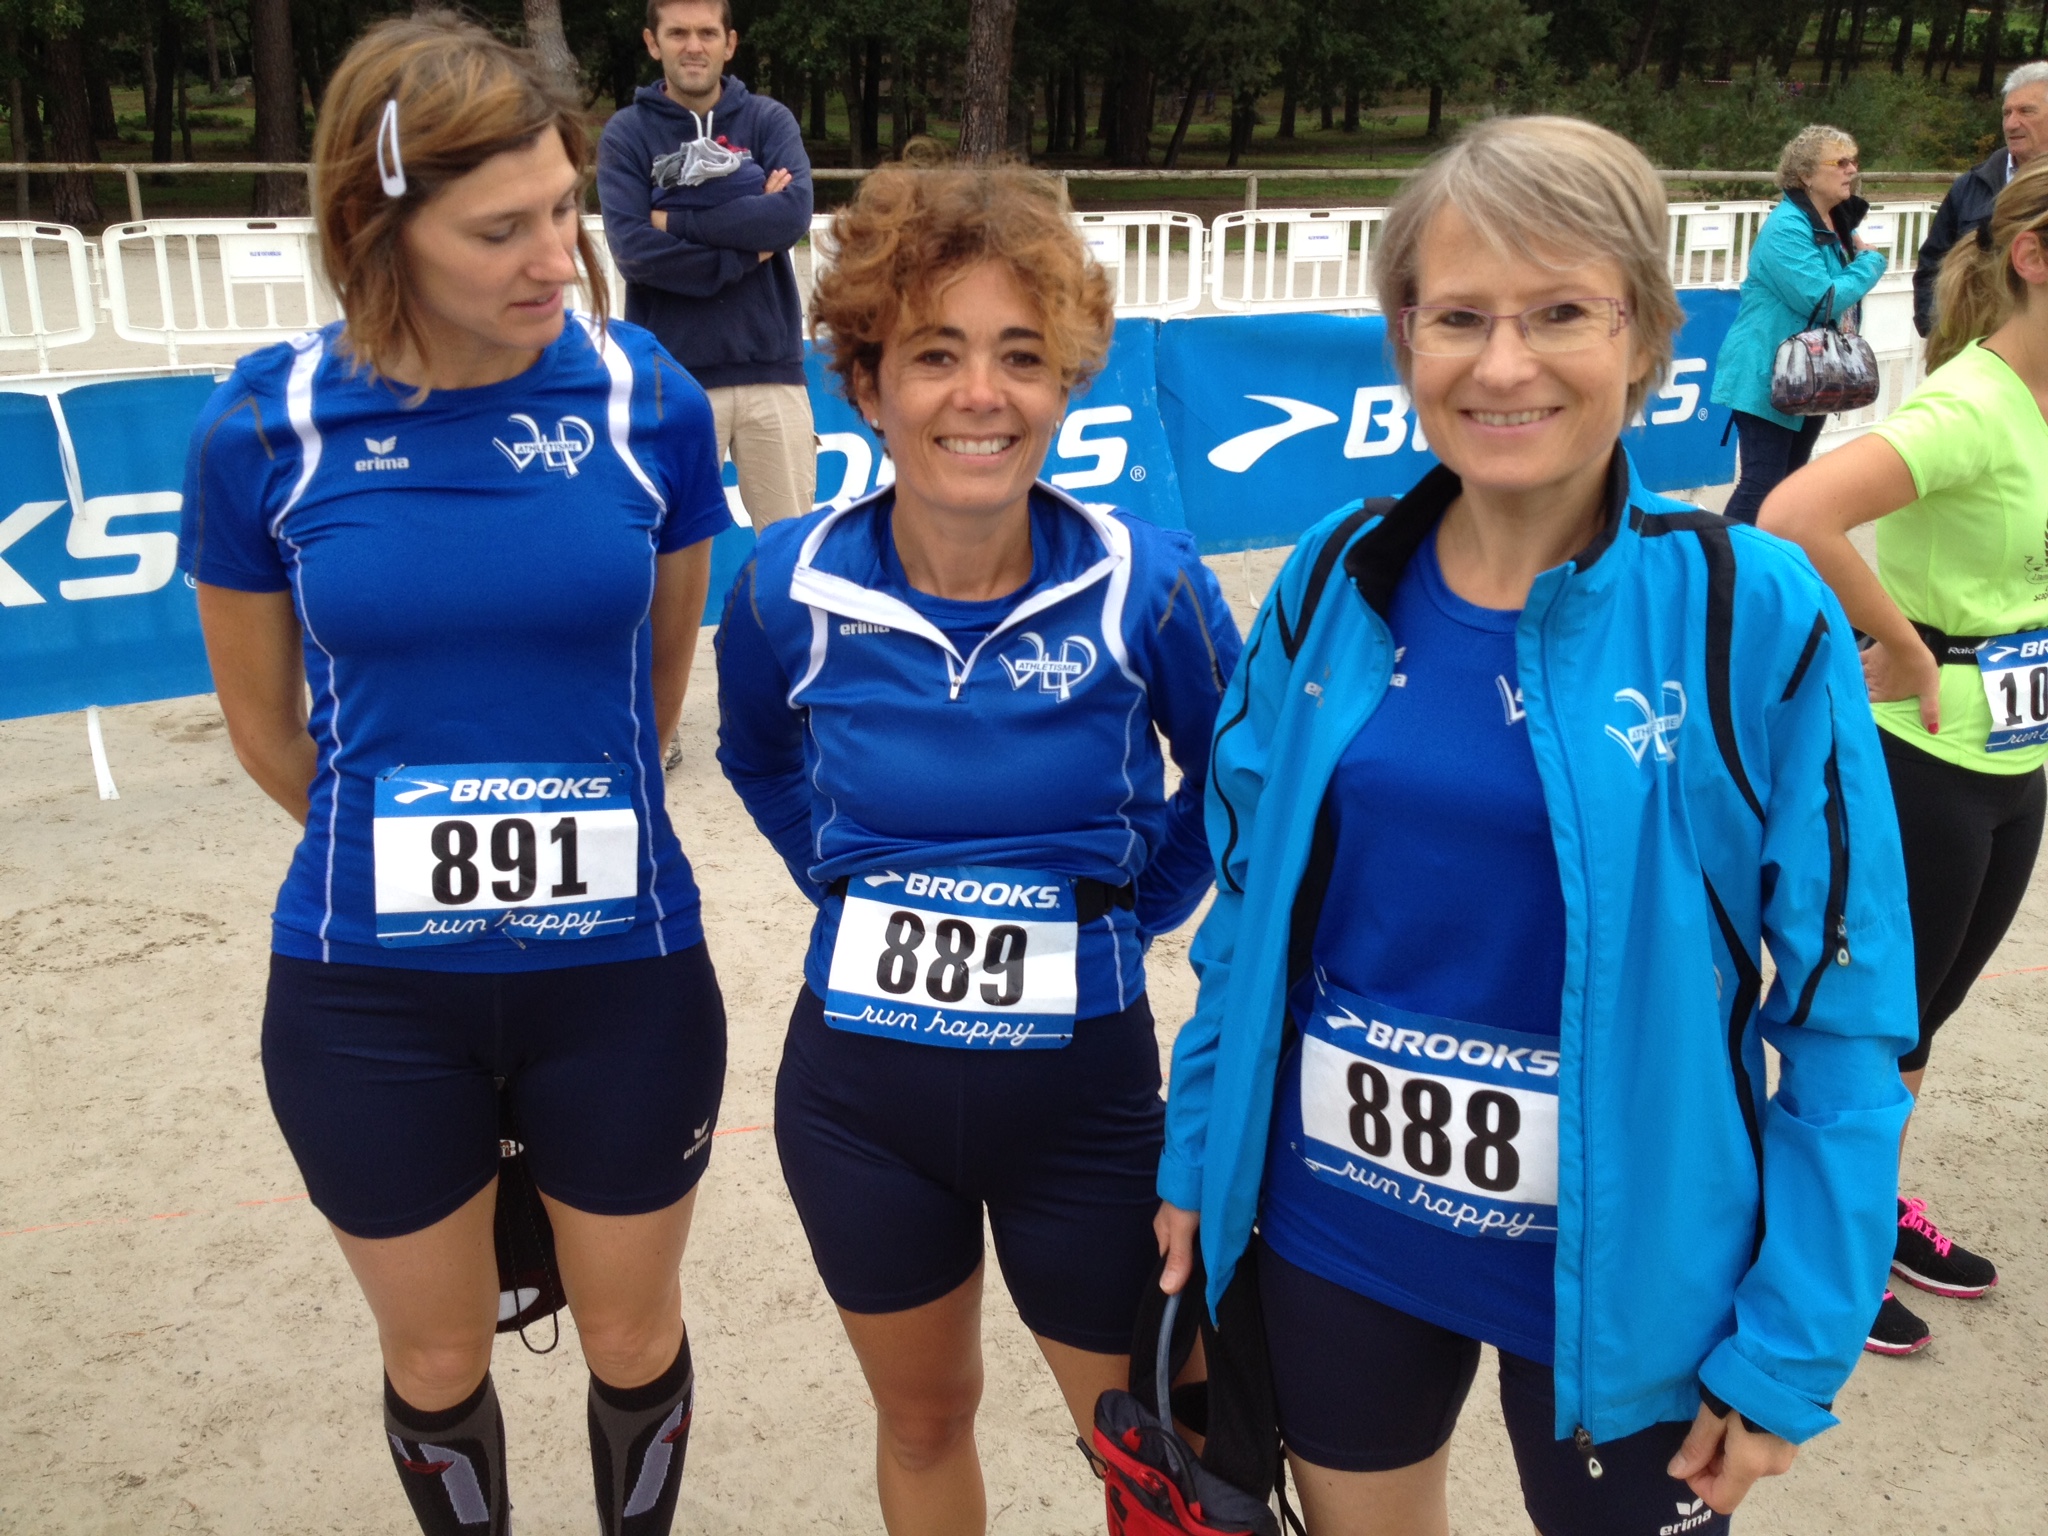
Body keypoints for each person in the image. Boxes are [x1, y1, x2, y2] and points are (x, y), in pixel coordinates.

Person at [1154, 116, 1916, 1536]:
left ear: (1645, 337)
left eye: (1561, 311)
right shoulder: (1336, 576)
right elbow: (1250, 909)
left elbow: (1845, 1010)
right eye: (1459, 318)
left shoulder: (1753, 611)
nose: (1504, 365)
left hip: (1637, 1283)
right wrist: (1201, 1152)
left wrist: (1796, 1338)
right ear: (1405, 340)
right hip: (1340, 1231)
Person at [178, 18, 732, 1536]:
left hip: (621, 974)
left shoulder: (648, 400)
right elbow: (268, 732)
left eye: (565, 209)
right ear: (379, 230)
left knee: (628, 1335)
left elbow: (656, 687)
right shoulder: (262, 425)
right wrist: (410, 845)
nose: (558, 255)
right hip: (371, 991)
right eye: (502, 229)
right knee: (433, 1350)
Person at [715, 164, 1242, 1534]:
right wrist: (838, 882)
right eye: (935, 354)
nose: (981, 395)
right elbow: (757, 755)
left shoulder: (1152, 580)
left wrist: (1135, 906)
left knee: (1163, 1446)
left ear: (1067, 382)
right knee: (924, 1417)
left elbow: (1238, 779)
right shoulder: (784, 583)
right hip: (861, 1106)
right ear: (867, 379)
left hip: (1087, 1107)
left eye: (1023, 356)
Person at [1761, 160, 2048, 1358]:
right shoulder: (1973, 403)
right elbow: (1793, 515)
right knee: (1865, 1029)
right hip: (1917, 766)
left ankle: (1865, 1215)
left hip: (2011, 763)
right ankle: (1803, 1249)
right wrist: (1897, 647)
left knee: (1923, 1022)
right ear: (2033, 258)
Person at [599, 0, 817, 531]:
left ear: (730, 42)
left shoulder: (768, 119)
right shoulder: (626, 134)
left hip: (772, 372)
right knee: (663, 553)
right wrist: (748, 245)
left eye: (706, 32)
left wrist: (675, 222)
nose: (693, 46)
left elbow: (791, 214)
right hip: (669, 379)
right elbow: (634, 251)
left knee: (792, 556)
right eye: (677, 33)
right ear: (653, 43)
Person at [1709, 124, 1887, 525]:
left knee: (1788, 484)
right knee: (1762, 484)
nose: (1851, 170)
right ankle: (1726, 566)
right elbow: (1823, 299)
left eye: (1854, 161)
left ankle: (1769, 571)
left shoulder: (1836, 222)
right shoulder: (1788, 226)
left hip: (1814, 372)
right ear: (1806, 174)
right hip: (1770, 372)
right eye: (1839, 162)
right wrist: (1870, 263)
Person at [1913, 61, 2048, 338]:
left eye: (2026, 111)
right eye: (2007, 113)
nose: (2011, 123)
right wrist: (1944, 333)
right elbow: (1932, 267)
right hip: (1979, 351)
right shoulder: (1971, 186)